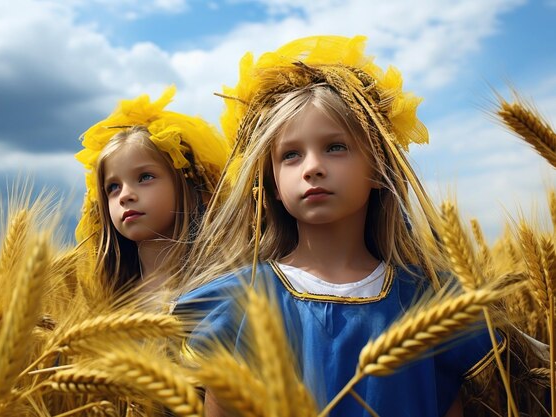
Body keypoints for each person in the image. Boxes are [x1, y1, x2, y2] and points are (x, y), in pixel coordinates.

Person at [175, 36, 501, 417]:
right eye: (291, 155)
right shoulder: (240, 301)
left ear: (379, 169)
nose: (312, 167)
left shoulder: (428, 300)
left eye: (335, 147)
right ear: (272, 186)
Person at [75, 86, 229, 295]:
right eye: (113, 187)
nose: (125, 196)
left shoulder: (225, 286)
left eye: (145, 177)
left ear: (192, 188)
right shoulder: (105, 300)